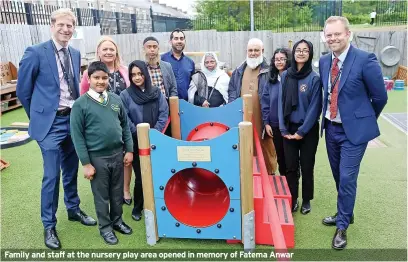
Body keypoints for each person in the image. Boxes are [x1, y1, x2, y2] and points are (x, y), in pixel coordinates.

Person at [16, 8, 96, 250]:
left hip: (71, 120)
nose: (65, 29)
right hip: (49, 125)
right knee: (51, 175)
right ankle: (49, 225)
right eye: (61, 25)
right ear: (52, 26)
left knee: (71, 170)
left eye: (70, 26)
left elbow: (72, 86)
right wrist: (39, 117)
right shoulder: (35, 52)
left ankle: (73, 209)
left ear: (74, 28)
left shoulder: (75, 52)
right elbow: (23, 90)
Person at [320, 16, 387, 250]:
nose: (333, 38)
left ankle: (342, 226)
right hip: (330, 128)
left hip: (353, 133)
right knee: (339, 175)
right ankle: (346, 213)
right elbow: (326, 93)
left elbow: (380, 97)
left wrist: (362, 120)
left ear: (348, 34)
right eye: (329, 35)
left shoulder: (364, 59)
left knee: (347, 177)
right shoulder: (325, 61)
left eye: (337, 34)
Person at [70, 61, 134, 245]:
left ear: (109, 78)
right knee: (101, 196)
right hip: (97, 159)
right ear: (88, 79)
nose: (100, 81)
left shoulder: (115, 99)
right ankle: (105, 228)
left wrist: (129, 149)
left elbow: (125, 126)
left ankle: (117, 221)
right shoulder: (80, 105)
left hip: (117, 155)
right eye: (96, 78)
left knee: (116, 193)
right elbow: (77, 136)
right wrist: (86, 164)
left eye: (104, 78)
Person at [79, 36, 133, 206]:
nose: (109, 52)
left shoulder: (124, 70)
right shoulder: (90, 73)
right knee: (106, 160)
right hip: (100, 123)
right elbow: (83, 96)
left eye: (111, 49)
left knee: (125, 156)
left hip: (124, 118)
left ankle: (124, 189)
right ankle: (108, 192)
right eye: (105, 49)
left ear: (116, 51)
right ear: (99, 52)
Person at [120, 60, 169, 222]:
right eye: (133, 75)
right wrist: (140, 134)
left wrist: (153, 134)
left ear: (145, 74)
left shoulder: (156, 92)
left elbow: (163, 113)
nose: (137, 77)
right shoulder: (125, 95)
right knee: (141, 176)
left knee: (159, 173)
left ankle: (160, 204)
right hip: (135, 142)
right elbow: (125, 119)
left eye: (140, 73)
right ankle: (138, 207)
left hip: (157, 141)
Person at [278, 39, 322, 215]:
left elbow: (315, 108)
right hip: (288, 129)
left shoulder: (314, 78)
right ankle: (293, 197)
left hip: (308, 130)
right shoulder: (285, 76)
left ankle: (306, 199)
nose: (301, 53)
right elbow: (281, 104)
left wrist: (302, 132)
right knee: (290, 167)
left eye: (305, 50)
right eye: (298, 50)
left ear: (310, 53)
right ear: (293, 53)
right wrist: (283, 129)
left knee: (307, 165)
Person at [228, 38, 278, 176]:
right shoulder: (239, 70)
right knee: (243, 144)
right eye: (250, 50)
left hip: (263, 117)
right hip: (242, 116)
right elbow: (232, 90)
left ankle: (269, 175)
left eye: (256, 50)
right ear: (246, 52)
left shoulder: (269, 71)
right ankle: (246, 174)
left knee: (265, 145)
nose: (253, 53)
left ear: (262, 51)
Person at [261, 48, 291, 177]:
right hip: (274, 125)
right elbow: (265, 103)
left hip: (291, 125)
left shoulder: (292, 78)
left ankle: (292, 189)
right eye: (276, 59)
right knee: (280, 157)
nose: (279, 62)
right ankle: (284, 182)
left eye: (282, 59)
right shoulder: (271, 80)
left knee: (291, 159)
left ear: (288, 60)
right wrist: (266, 123)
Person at [161, 28, 195, 101]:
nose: (179, 41)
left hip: (186, 104)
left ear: (184, 41)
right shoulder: (162, 60)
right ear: (170, 41)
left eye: (181, 39)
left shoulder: (190, 62)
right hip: (167, 103)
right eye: (176, 38)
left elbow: (193, 85)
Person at [143, 36, 178, 100]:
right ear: (144, 49)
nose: (152, 49)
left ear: (158, 49)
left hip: (165, 105)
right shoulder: (140, 67)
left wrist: (172, 102)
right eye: (149, 47)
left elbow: (173, 87)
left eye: (155, 47)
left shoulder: (167, 66)